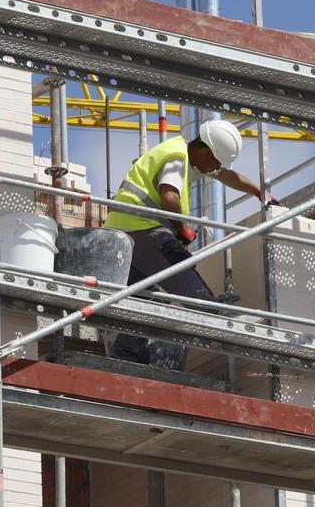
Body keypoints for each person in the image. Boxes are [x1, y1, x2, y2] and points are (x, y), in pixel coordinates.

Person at [103, 119, 276, 370]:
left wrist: (259, 193)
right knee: (180, 269)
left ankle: (125, 352)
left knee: (145, 297)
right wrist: (181, 229)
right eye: (215, 160)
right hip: (142, 229)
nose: (215, 167)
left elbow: (229, 176)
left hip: (125, 234)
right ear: (205, 152)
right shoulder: (176, 158)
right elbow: (170, 196)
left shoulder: (192, 157)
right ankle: (214, 313)